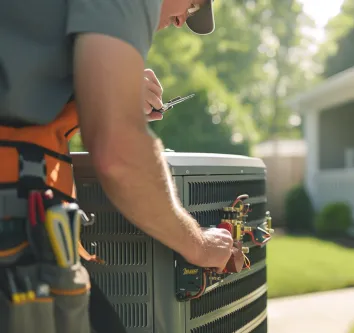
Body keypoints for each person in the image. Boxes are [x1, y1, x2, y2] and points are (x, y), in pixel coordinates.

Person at [0, 1, 237, 332]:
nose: (184, 20)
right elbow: (119, 155)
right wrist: (199, 245)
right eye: (194, 3)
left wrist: (100, 89)